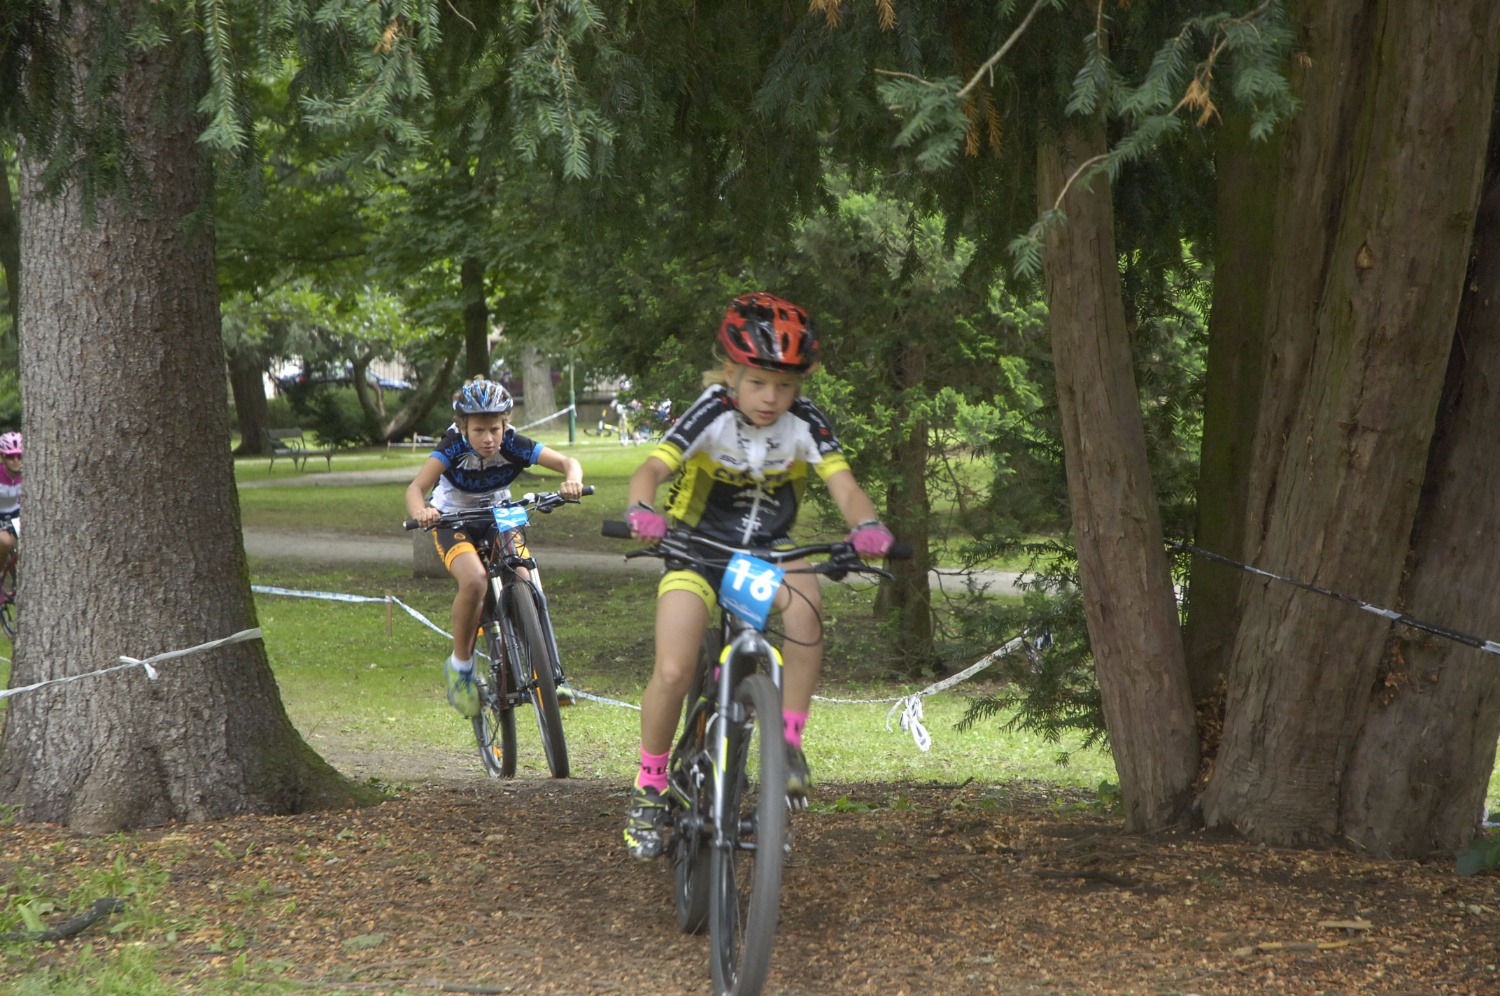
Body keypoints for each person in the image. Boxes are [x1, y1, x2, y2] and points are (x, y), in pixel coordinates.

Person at [621, 292, 893, 860]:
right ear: (732, 375)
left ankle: (787, 743)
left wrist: (866, 524)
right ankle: (649, 785)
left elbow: (844, 486)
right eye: (758, 383)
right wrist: (642, 509)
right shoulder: (712, 411)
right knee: (673, 667)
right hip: (696, 548)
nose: (771, 397)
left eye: (785, 386)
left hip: (767, 550)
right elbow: (651, 469)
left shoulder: (806, 423)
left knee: (806, 608)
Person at [405, 379, 585, 718]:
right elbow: (416, 489)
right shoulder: (451, 446)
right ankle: (460, 668)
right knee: (474, 580)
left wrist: (572, 480)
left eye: (495, 429)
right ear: (463, 428)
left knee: (524, 574)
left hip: (500, 515)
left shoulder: (514, 443)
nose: (488, 438)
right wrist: (422, 512)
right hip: (453, 519)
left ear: (505, 425)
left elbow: (568, 463)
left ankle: (547, 672)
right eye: (478, 430)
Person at [0, 432, 22, 563]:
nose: (16, 460)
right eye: (10, 456)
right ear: (3, 457)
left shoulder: (29, 475)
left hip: (16, 514)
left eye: (20, 456)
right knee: (5, 542)